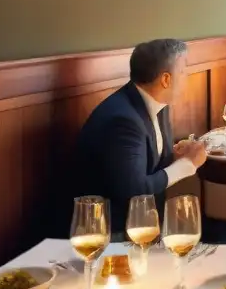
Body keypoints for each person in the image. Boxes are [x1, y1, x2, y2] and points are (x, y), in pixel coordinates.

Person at [72, 39, 207, 234]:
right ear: (166, 80)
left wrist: (174, 156)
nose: (186, 76)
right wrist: (188, 165)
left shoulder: (157, 103)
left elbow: (148, 163)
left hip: (143, 225)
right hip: (108, 234)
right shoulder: (123, 121)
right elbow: (134, 192)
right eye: (183, 71)